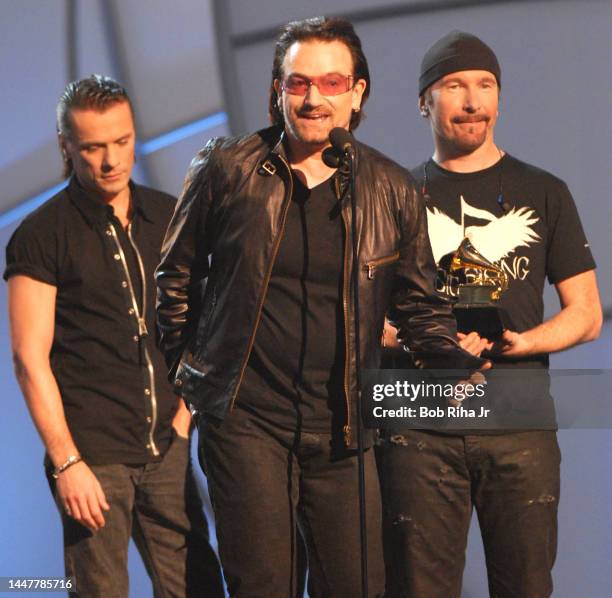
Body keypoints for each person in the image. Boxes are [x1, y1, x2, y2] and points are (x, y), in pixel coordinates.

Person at [155, 16, 483, 598]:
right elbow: (174, 277)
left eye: (332, 84)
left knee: (357, 584)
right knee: (263, 586)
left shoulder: (390, 188)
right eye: (298, 83)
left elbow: (419, 304)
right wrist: (192, 373)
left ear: (357, 94)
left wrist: (447, 359)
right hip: (246, 422)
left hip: (345, 430)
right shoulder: (228, 168)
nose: (313, 99)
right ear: (276, 91)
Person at [379, 31, 602, 597]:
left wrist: (522, 343)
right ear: (425, 101)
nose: (473, 101)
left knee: (526, 586)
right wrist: (426, 347)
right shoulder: (393, 195)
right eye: (455, 86)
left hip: (518, 421)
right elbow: (363, 319)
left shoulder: (544, 191)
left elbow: (586, 313)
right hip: (418, 426)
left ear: (499, 98)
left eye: (484, 86)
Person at [5, 75, 223, 598]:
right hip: (91, 458)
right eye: (93, 147)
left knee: (199, 588)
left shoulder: (169, 214)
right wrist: (66, 464)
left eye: (122, 141)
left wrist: (184, 414)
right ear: (66, 146)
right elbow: (27, 358)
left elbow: (204, 321)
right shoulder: (41, 234)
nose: (111, 160)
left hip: (166, 444)